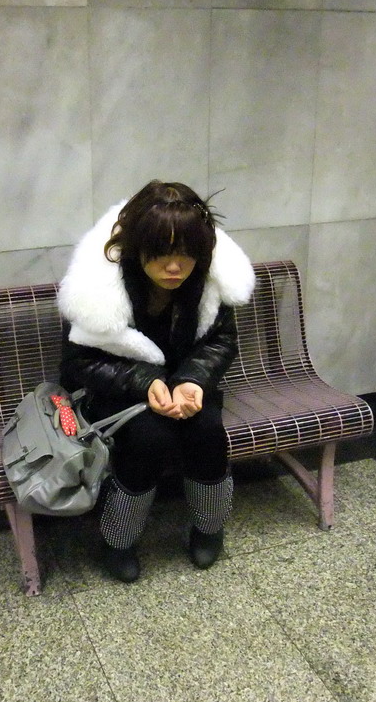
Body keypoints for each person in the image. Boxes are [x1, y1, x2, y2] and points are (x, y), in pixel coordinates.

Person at [58, 180, 255, 583]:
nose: (174, 267)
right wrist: (145, 380)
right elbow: (80, 362)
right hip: (118, 392)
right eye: (161, 254)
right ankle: (119, 539)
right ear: (135, 247)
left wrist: (194, 381)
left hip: (186, 386)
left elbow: (220, 341)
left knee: (206, 430)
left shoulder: (209, 282)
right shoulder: (101, 288)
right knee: (149, 436)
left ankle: (209, 526)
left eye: (187, 255)